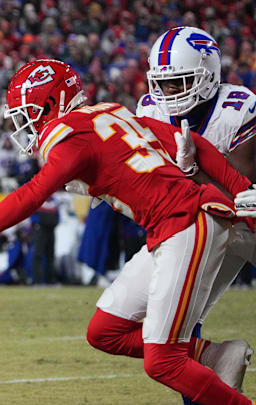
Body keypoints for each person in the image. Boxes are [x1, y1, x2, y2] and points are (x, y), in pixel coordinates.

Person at [0, 59, 255, 405]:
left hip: (186, 223)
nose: (25, 125)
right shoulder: (108, 112)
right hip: (173, 225)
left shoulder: (69, 137)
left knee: (163, 362)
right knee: (105, 331)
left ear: (51, 104)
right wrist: (240, 188)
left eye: (27, 113)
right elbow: (190, 140)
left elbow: (31, 195)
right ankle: (213, 356)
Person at [134, 26, 256, 405]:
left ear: (208, 73)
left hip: (248, 220)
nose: (168, 94)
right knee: (176, 325)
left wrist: (191, 173)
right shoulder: (149, 109)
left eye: (179, 82)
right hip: (204, 225)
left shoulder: (238, 108)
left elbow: (240, 192)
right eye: (163, 84)